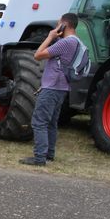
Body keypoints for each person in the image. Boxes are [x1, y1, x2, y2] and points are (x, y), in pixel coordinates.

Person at [20, 13, 81, 166]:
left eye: (59, 23)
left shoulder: (65, 43)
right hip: (62, 88)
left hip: (52, 87)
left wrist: (49, 36)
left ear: (64, 25)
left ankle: (39, 157)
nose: (56, 26)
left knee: (39, 122)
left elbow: (38, 55)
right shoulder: (77, 42)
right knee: (51, 122)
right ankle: (49, 154)